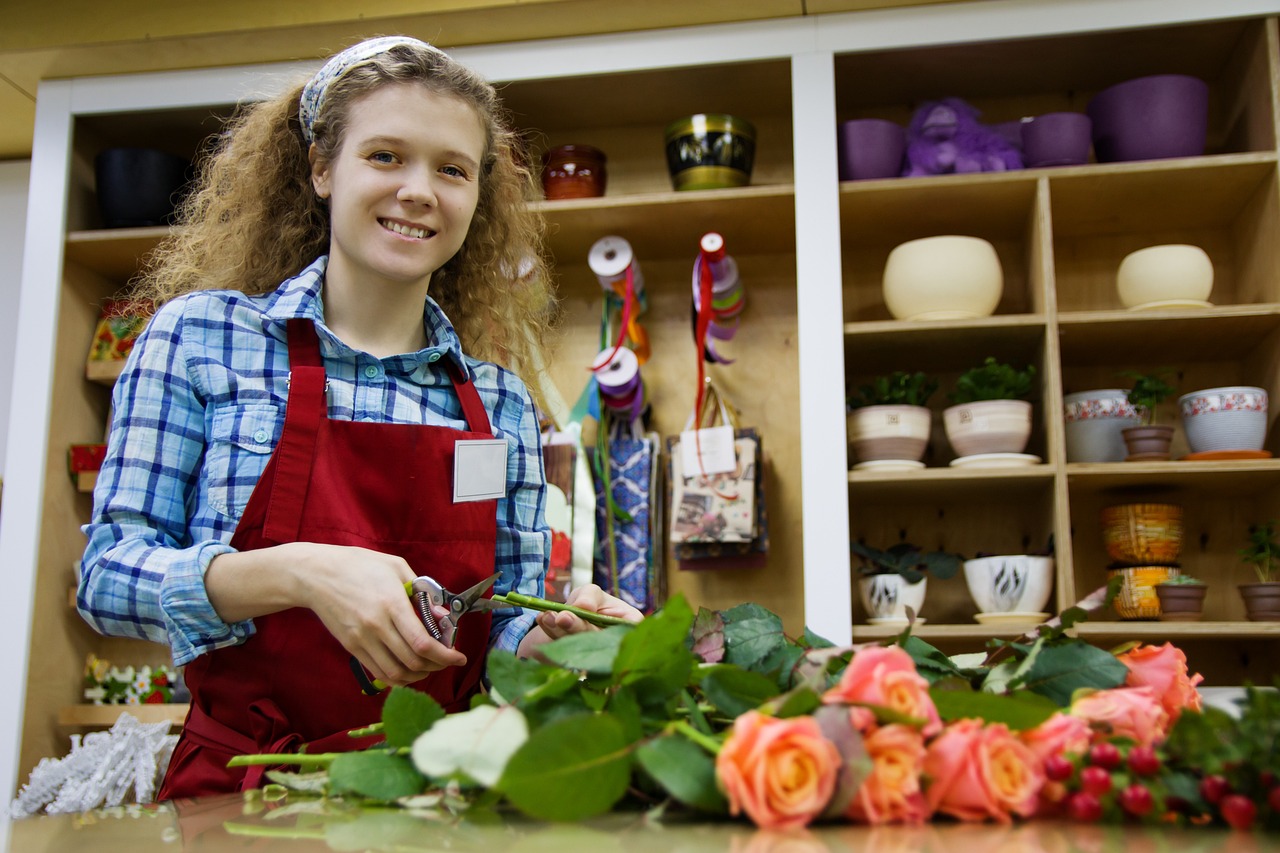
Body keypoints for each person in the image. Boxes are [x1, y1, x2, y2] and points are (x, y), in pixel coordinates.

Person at [77, 35, 642, 799]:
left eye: (452, 169)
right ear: (321, 168)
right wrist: (301, 571)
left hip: (435, 799)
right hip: (240, 795)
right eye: (385, 156)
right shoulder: (202, 338)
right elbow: (108, 576)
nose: (419, 190)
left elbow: (499, 626)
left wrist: (558, 637)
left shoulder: (498, 401)